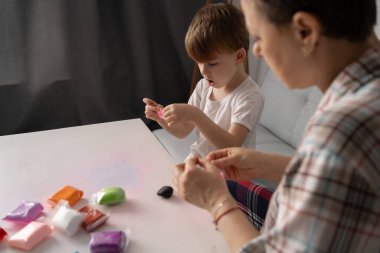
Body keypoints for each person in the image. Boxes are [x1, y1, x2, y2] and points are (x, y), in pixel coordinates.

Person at [173, 0, 380, 252]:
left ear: (305, 31)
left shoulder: (341, 132)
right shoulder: (362, 96)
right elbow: (346, 180)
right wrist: (271, 164)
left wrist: (216, 201)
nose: (257, 51)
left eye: (259, 36)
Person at [143, 3, 264, 161]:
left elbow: (232, 146)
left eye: (212, 63)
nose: (203, 71)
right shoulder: (204, 87)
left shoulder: (249, 96)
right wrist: (161, 118)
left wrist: (195, 115)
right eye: (198, 62)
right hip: (201, 161)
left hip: (233, 171)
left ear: (239, 56)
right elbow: (183, 131)